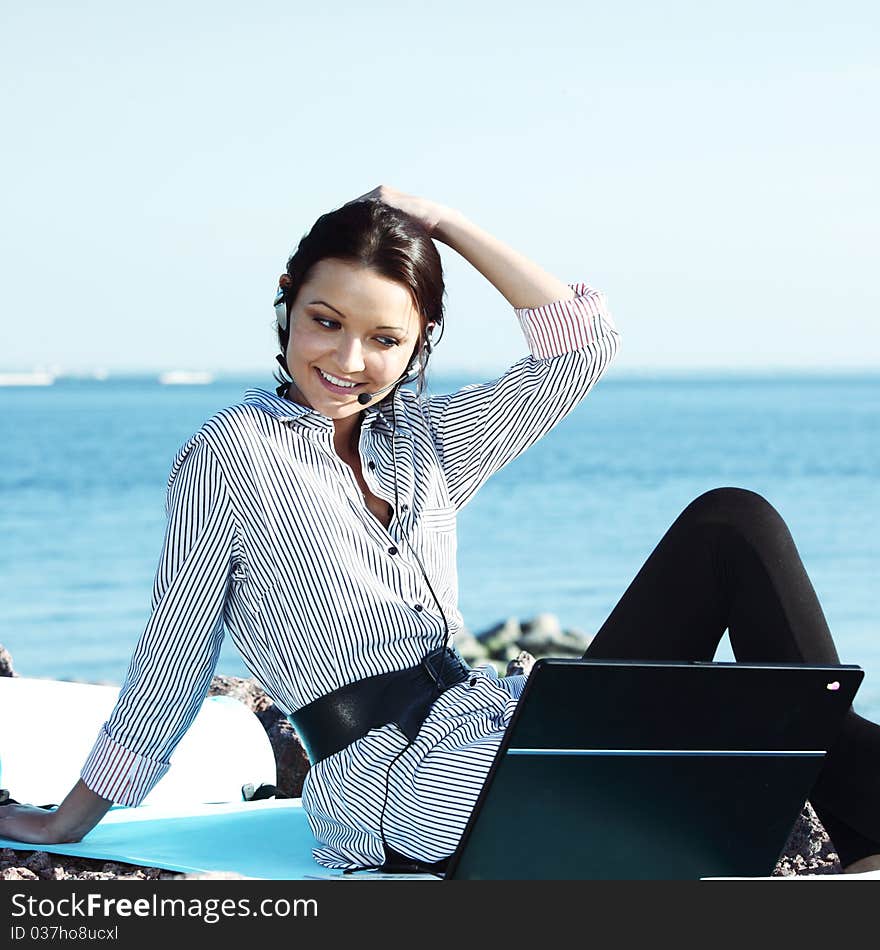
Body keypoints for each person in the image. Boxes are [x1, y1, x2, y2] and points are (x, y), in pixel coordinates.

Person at [1, 187, 878, 875]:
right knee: (732, 532)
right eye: (326, 322)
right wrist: (73, 816)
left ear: (419, 341)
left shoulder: (425, 442)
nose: (348, 362)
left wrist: (447, 223)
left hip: (500, 730)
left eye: (385, 338)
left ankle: (867, 825)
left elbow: (582, 345)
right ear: (286, 303)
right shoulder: (231, 454)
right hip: (411, 791)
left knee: (735, 533)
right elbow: (175, 650)